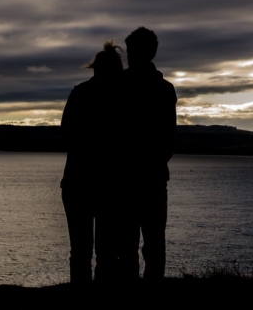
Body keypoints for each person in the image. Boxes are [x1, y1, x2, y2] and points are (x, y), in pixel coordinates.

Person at [60, 40, 124, 284]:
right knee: (107, 254)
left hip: (77, 182)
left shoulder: (79, 93)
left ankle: (81, 303)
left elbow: (66, 134)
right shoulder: (123, 98)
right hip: (110, 184)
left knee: (80, 252)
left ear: (95, 68)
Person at [119, 26, 177, 281]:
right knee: (145, 244)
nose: (129, 55)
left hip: (131, 176)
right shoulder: (164, 89)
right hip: (148, 176)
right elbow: (168, 139)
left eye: (132, 50)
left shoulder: (119, 85)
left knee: (135, 244)